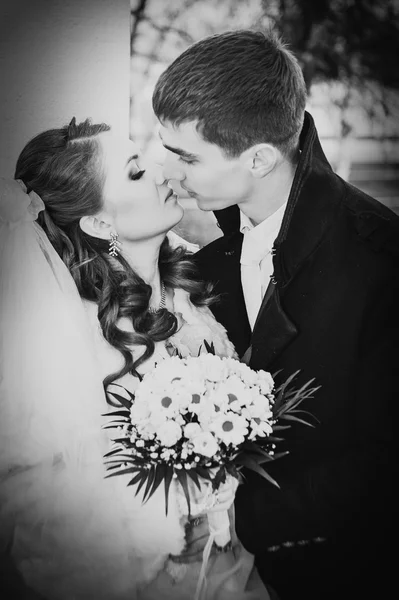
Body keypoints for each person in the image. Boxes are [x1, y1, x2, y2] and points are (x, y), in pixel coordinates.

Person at [152, 28, 398, 600]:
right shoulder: (208, 263)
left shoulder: (380, 259)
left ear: (259, 157)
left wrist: (250, 516)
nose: (169, 172)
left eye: (186, 156)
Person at [0, 118, 272, 599]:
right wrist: (170, 518)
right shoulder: (77, 337)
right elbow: (53, 494)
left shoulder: (192, 289)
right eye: (134, 172)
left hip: (231, 555)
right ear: (99, 223)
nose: (163, 174)